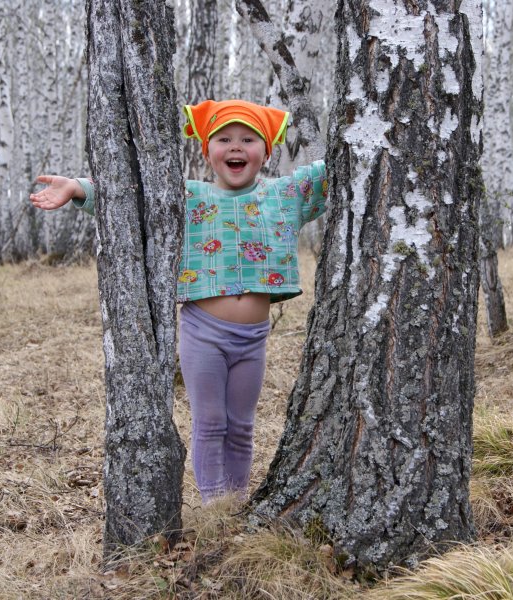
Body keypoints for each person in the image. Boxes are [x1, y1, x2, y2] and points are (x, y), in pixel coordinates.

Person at [30, 99, 326, 503]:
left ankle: (235, 502)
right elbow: (131, 198)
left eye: (248, 139)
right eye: (224, 139)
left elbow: (331, 171)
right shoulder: (188, 197)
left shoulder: (284, 195)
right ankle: (212, 503)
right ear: (206, 151)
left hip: (253, 338)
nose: (236, 147)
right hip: (203, 332)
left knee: (240, 425)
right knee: (209, 421)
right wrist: (79, 188)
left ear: (266, 151)